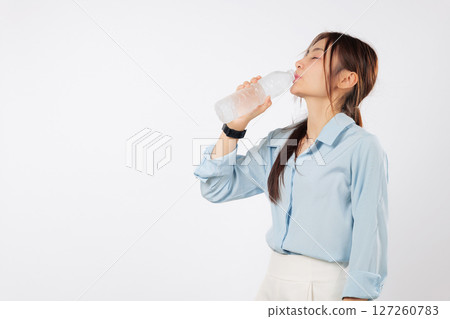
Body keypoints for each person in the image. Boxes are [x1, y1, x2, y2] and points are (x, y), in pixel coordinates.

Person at [193, 31, 389, 301]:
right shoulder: (280, 143)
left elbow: (371, 232)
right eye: (304, 55)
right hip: (273, 284)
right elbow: (215, 188)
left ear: (347, 79)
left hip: (326, 290)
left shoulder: (361, 147)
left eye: (316, 56)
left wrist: (356, 301)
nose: (299, 63)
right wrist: (234, 127)